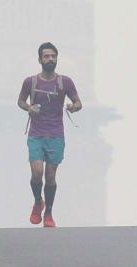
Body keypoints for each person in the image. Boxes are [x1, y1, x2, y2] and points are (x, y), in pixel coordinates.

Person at [17, 42, 82, 228]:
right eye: (46, 56)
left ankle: (49, 213)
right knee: (37, 173)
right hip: (36, 133)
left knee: (51, 175)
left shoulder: (65, 82)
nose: (50, 59)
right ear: (40, 59)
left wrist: (73, 107)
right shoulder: (31, 82)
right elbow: (20, 101)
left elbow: (78, 102)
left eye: (53, 56)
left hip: (56, 134)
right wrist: (29, 108)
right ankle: (38, 201)